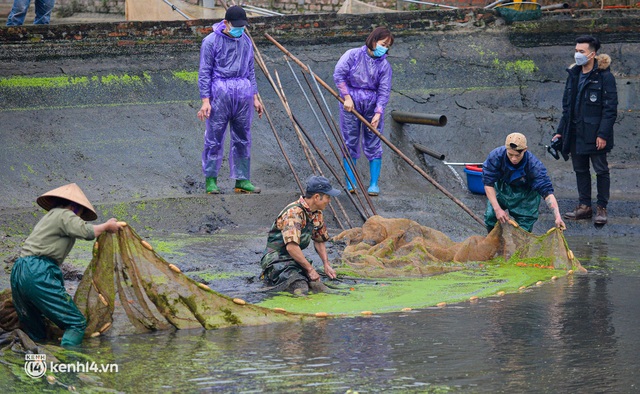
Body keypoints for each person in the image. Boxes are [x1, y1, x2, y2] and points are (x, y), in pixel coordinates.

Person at [10, 183, 121, 346]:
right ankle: (69, 366)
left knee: (36, 330)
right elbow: (88, 232)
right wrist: (107, 226)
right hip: (38, 271)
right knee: (76, 323)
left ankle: (35, 365)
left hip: (20, 270)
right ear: (75, 207)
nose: (79, 217)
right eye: (80, 213)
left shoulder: (52, 215)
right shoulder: (65, 214)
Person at [197, 5, 264, 195]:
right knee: (214, 137)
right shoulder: (211, 42)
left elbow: (250, 70)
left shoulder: (246, 41)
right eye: (236, 26)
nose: (240, 30)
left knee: (243, 137)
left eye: (243, 27)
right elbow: (204, 72)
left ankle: (242, 180)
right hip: (220, 93)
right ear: (226, 23)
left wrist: (255, 97)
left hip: (243, 93)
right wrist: (205, 100)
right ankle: (211, 179)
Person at [554, 35, 618, 225]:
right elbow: (567, 107)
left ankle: (601, 208)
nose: (577, 55)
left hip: (595, 134)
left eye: (581, 52)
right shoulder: (573, 75)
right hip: (575, 132)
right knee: (580, 169)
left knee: (600, 170)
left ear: (592, 54)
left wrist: (603, 134)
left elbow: (610, 109)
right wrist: (560, 131)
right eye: (576, 51)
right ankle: (584, 206)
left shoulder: (605, 77)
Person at [333, 26, 393, 196]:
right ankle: (351, 182)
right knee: (350, 140)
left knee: (373, 141)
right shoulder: (353, 55)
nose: (385, 48)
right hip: (350, 104)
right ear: (373, 41)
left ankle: (373, 184)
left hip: (372, 106)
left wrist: (378, 112)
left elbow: (384, 90)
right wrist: (347, 97)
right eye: (383, 44)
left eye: (388, 46)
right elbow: (339, 75)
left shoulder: (384, 66)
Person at [260, 176, 340, 295]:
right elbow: (291, 247)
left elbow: (319, 240)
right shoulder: (294, 213)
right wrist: (310, 269)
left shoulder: (317, 213)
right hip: (276, 258)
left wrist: (326, 264)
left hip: (294, 258)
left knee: (317, 284)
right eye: (328, 197)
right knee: (300, 286)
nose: (329, 201)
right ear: (317, 197)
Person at [482, 133, 566, 233]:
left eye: (517, 155)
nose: (514, 159)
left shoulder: (534, 166)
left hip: (526, 195)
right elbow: (488, 184)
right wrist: (497, 209)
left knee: (523, 229)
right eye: (510, 154)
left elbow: (547, 193)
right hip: (503, 188)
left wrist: (557, 217)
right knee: (490, 217)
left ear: (525, 150)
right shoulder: (496, 156)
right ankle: (494, 240)